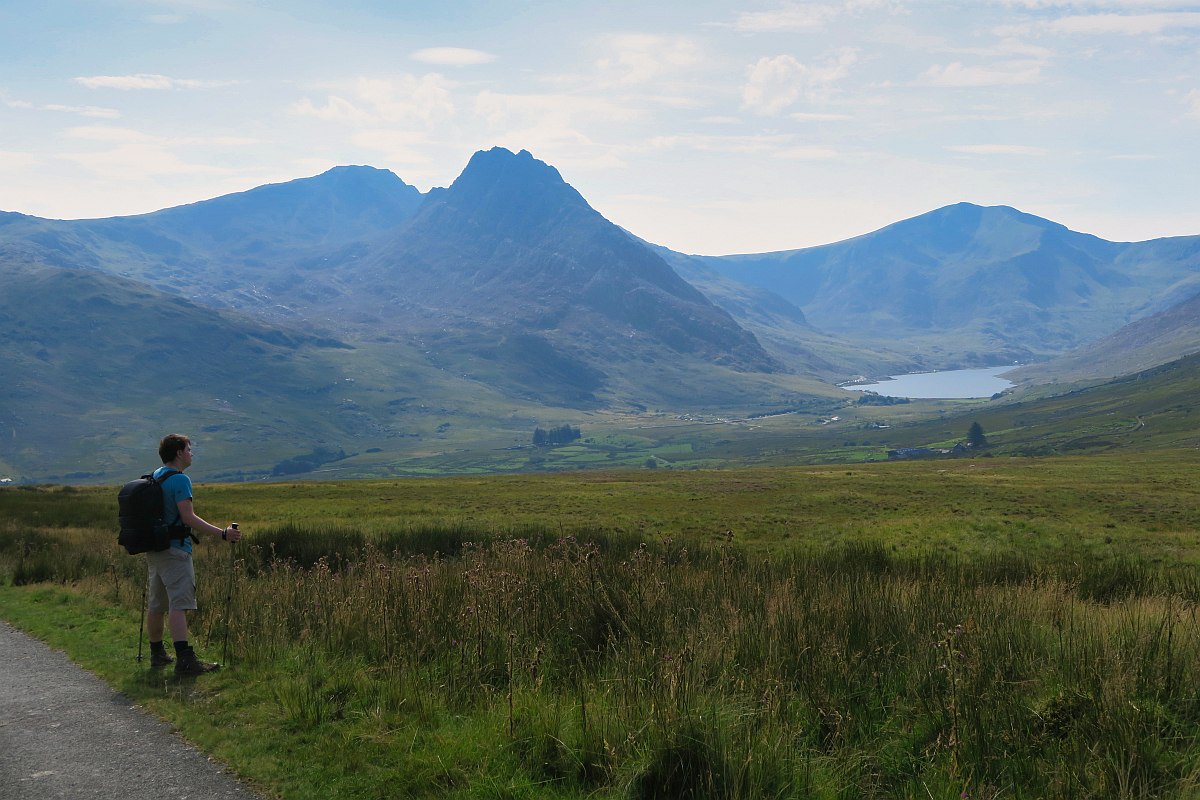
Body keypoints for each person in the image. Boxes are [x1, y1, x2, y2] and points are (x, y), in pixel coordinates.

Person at [146, 433, 241, 675]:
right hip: (176, 549)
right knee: (179, 604)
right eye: (189, 449)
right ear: (179, 453)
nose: (191, 453)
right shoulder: (180, 480)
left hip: (155, 549)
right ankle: (185, 661)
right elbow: (188, 518)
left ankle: (157, 653)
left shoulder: (156, 476)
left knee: (157, 604)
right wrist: (222, 534)